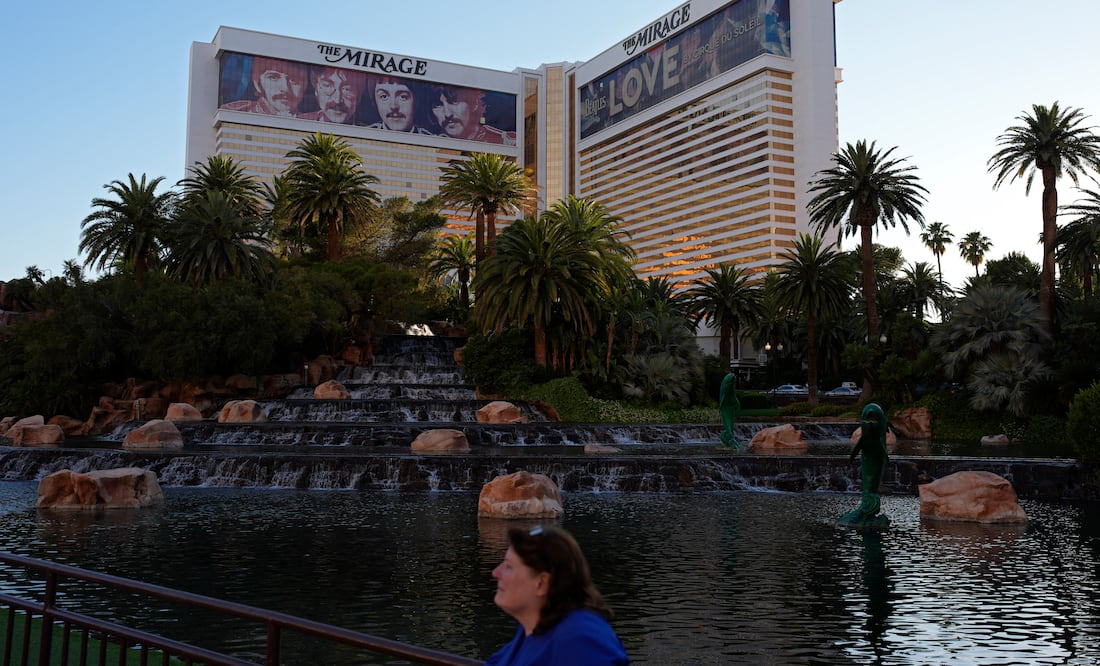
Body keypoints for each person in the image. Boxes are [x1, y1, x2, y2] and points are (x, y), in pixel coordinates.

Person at [487, 525, 629, 665]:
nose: (496, 573)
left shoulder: (580, 640)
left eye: (509, 566)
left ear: (541, 583)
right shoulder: (533, 629)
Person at [221, 56, 307, 117]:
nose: (285, 88)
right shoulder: (234, 111)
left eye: (294, 80)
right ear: (257, 84)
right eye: (273, 78)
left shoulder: (312, 120)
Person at [430, 85, 516, 145]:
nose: (447, 114)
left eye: (454, 101)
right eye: (438, 105)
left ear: (474, 104)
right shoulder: (433, 144)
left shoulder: (506, 141)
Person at [366, 76, 433, 133]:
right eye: (384, 96)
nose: (393, 106)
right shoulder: (366, 134)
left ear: (416, 100)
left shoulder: (431, 141)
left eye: (403, 97)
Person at [298, 66, 365, 124]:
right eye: (327, 86)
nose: (337, 100)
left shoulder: (367, 132)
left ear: (359, 96)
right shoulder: (299, 122)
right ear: (316, 88)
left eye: (347, 89)